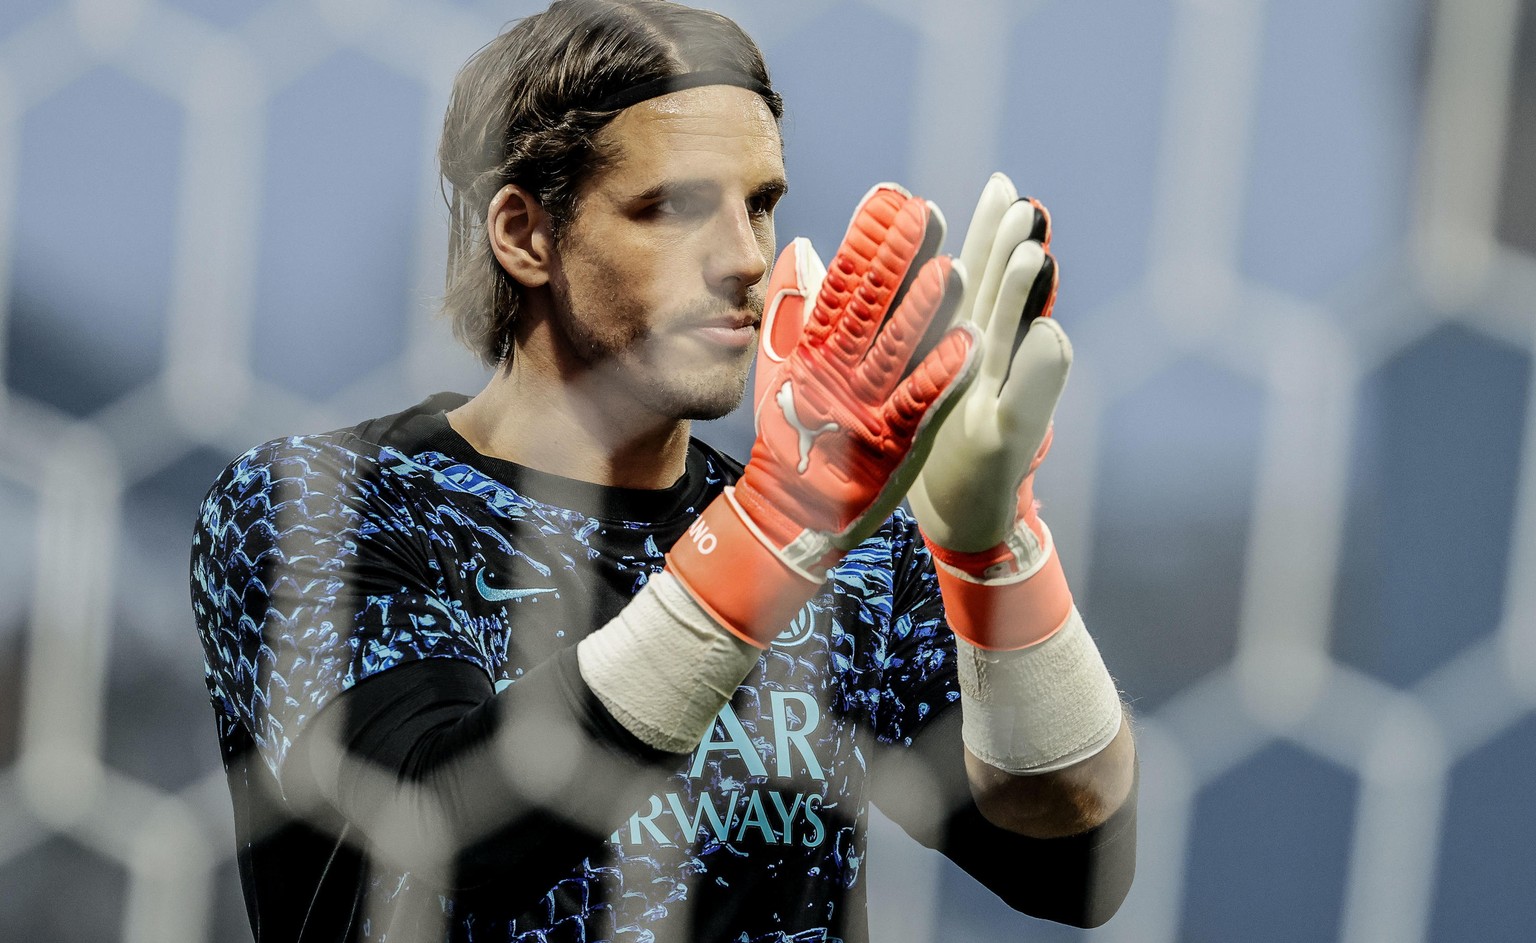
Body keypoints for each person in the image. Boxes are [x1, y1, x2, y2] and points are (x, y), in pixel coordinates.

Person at [190, 1, 1138, 940]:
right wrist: (770, 536)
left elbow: (1076, 861)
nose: (745, 258)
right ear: (524, 234)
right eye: (676, 206)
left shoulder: (845, 549)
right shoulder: (321, 507)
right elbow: (426, 831)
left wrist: (995, 553)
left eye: (759, 204)